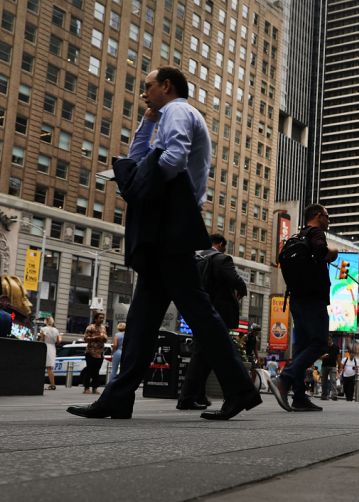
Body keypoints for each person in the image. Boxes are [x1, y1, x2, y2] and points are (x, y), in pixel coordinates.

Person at [67, 67, 259, 420]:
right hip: (166, 228)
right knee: (141, 320)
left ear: (166, 86)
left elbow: (172, 159)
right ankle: (118, 397)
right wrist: (145, 122)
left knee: (200, 313)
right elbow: (137, 158)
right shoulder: (165, 115)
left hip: (171, 228)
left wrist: (139, 186)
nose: (144, 93)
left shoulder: (179, 111)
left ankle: (241, 390)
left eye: (148, 87)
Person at [268, 204, 338, 412]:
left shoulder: (298, 237)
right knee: (319, 344)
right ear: (318, 216)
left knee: (301, 347)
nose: (328, 220)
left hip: (296, 300)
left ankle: (299, 396)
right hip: (313, 300)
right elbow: (322, 251)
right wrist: (332, 252)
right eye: (327, 216)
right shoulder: (316, 233)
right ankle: (285, 379)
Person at [178, 233, 248, 410]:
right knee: (207, 354)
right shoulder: (222, 259)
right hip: (218, 313)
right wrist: (242, 289)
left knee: (205, 354)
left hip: (198, 310)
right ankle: (188, 398)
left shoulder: (195, 259)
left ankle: (197, 396)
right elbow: (236, 280)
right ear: (221, 244)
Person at [82, 312, 108, 395]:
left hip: (100, 353)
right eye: (100, 318)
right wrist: (96, 337)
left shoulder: (103, 328)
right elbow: (85, 339)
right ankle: (86, 388)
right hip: (90, 352)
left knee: (96, 371)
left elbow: (105, 338)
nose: (102, 319)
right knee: (89, 370)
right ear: (96, 319)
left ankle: (95, 388)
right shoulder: (90, 327)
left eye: (102, 318)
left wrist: (104, 338)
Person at [39, 316, 61, 390]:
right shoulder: (56, 330)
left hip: (45, 347)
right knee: (50, 368)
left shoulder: (43, 329)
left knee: (42, 366)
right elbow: (58, 342)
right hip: (52, 348)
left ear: (46, 321)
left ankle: (40, 384)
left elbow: (42, 339)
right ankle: (52, 384)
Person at [319, 335, 340, 401]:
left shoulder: (336, 347)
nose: (328, 342)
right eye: (327, 340)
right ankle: (324, 395)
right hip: (324, 366)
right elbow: (319, 356)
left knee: (333, 380)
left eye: (329, 340)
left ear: (331, 340)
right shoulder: (324, 347)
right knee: (323, 381)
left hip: (333, 366)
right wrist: (323, 357)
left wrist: (339, 366)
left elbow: (338, 357)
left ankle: (334, 396)